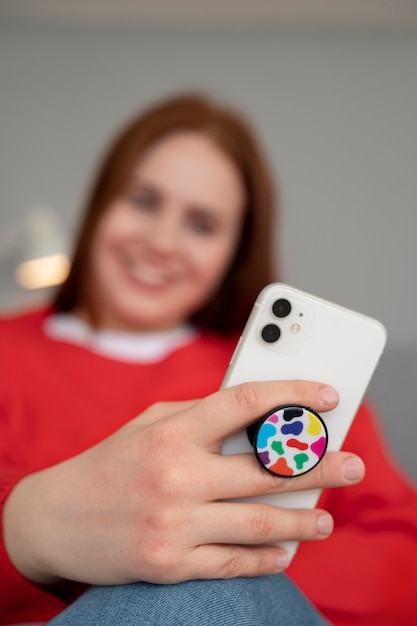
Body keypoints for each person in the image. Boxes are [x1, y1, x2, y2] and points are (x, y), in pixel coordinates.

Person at [0, 93, 416, 626]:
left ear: (233, 256)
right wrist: (39, 529)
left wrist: (216, 558)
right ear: (101, 202)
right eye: (145, 201)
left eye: (202, 225)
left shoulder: (295, 385)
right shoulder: (10, 355)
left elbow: (404, 566)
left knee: (184, 591)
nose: (161, 241)